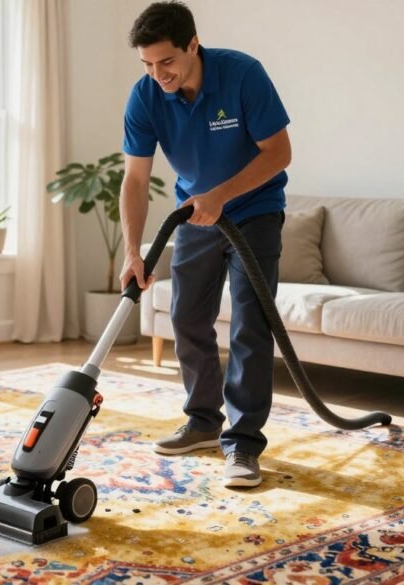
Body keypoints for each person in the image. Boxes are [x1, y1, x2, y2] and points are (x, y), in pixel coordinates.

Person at [118, 1, 292, 488]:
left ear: (193, 44)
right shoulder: (145, 96)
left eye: (167, 61)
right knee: (186, 316)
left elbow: (279, 153)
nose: (159, 74)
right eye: (148, 65)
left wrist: (221, 195)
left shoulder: (242, 75)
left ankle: (243, 444)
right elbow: (135, 180)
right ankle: (202, 421)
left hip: (253, 212)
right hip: (195, 215)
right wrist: (134, 251)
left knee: (250, 325)